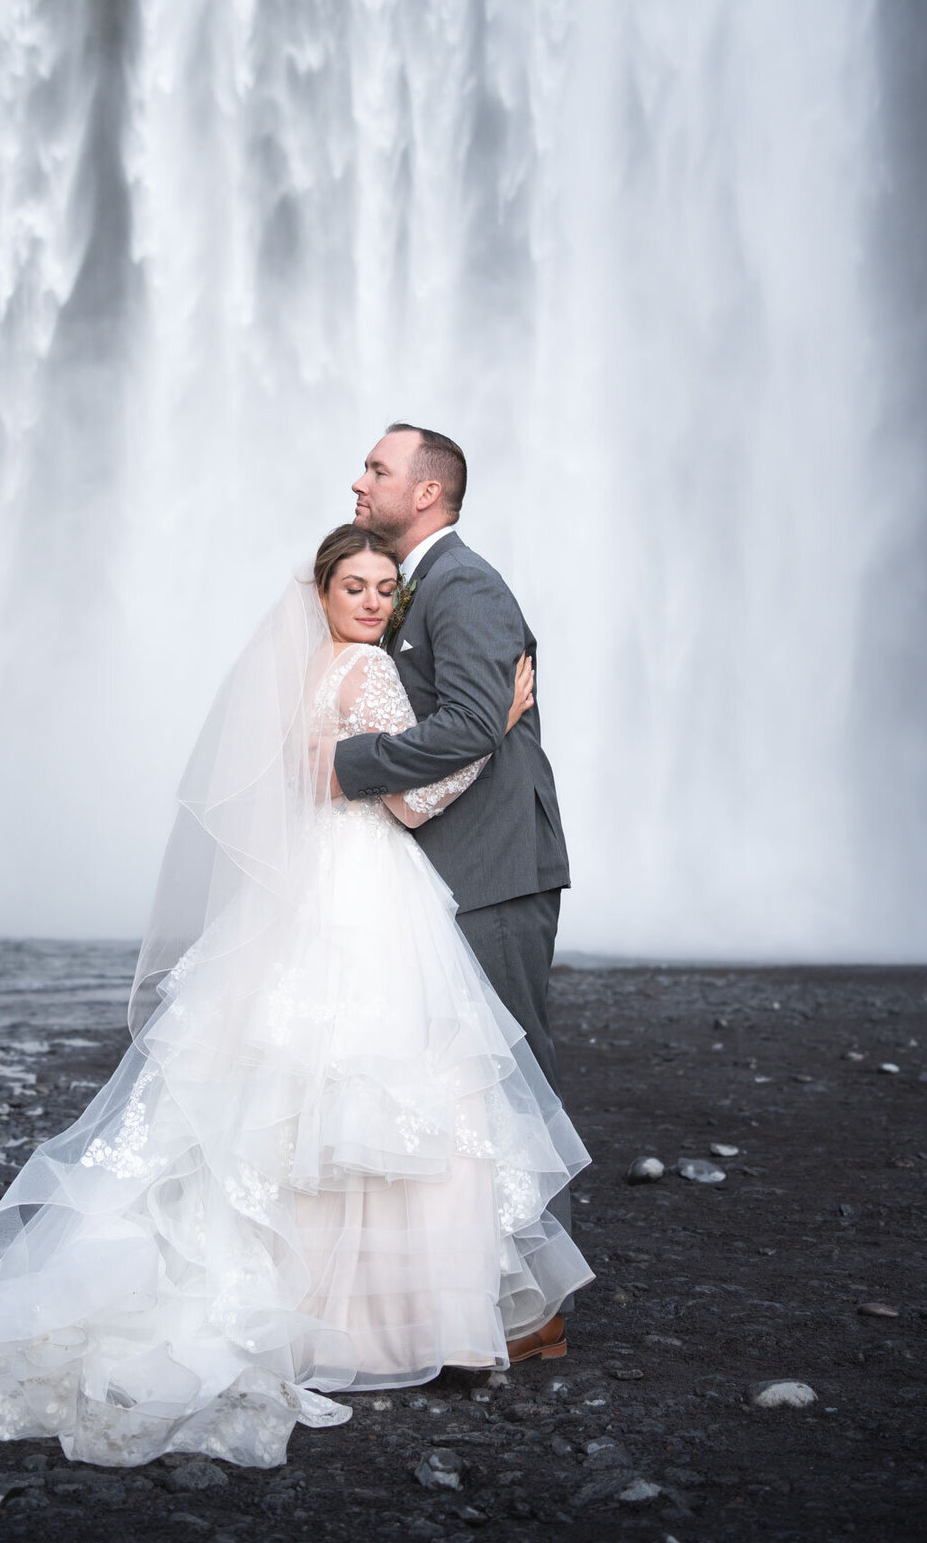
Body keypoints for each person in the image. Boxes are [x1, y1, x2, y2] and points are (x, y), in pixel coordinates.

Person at [0, 525, 591, 1472]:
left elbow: (296, 781)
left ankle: (324, 1310)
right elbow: (405, 801)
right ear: (322, 592)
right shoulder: (367, 675)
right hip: (368, 892)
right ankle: (396, 1321)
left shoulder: (293, 675)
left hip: (304, 897)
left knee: (286, 1094)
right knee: (391, 1088)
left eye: (382, 591)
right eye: (356, 588)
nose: (372, 603)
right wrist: (493, 728)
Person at [333, 424, 575, 1363]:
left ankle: (536, 1310)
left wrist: (343, 766)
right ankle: (473, 1296)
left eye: (377, 470)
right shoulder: (411, 587)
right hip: (445, 871)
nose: (359, 482)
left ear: (427, 494)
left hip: (495, 867)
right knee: (457, 1090)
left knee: (513, 1083)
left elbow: (475, 721)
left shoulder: (464, 584)